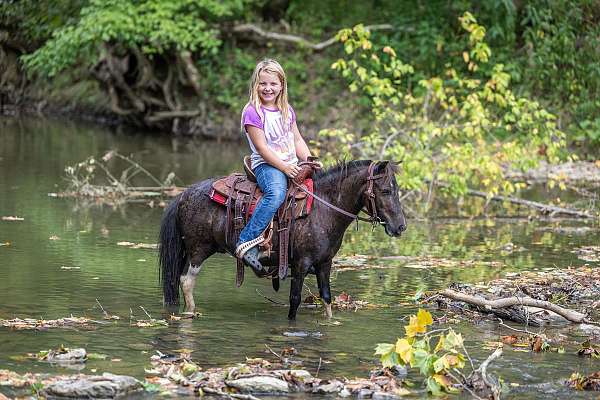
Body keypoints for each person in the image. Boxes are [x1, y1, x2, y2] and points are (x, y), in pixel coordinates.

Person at [235, 59, 313, 273]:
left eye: (273, 84)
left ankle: (296, 248)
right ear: (255, 85)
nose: (268, 88)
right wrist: (285, 168)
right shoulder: (253, 112)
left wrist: (309, 160)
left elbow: (297, 140)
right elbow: (262, 148)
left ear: (282, 85)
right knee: (276, 193)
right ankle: (246, 240)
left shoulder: (286, 110)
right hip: (267, 165)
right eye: (263, 84)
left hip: (290, 163)